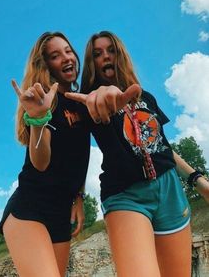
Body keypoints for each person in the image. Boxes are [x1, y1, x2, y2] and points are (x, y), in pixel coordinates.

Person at [66, 31, 209, 277]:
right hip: (125, 195)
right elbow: (78, 155)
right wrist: (77, 197)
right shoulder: (90, 103)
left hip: (169, 191)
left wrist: (198, 180)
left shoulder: (147, 98)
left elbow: (163, 146)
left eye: (110, 50)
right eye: (97, 54)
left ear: (120, 55)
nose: (105, 57)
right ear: (92, 63)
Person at [0, 32, 90, 277]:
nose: (66, 58)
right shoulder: (44, 101)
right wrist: (38, 120)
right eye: (56, 56)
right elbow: (40, 163)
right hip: (29, 209)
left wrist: (79, 197)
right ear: (46, 65)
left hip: (60, 212)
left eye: (68, 51)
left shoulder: (82, 103)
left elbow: (81, 154)